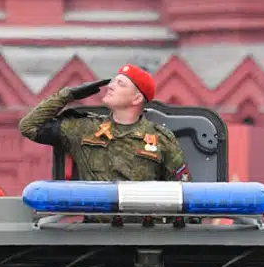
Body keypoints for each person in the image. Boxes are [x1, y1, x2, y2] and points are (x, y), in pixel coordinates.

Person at [19, 65, 191, 183]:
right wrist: (67, 95)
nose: (110, 86)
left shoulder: (160, 139)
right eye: (113, 81)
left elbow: (183, 189)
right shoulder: (85, 129)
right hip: (96, 231)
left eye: (120, 84)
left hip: (141, 232)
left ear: (137, 98)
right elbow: (29, 127)